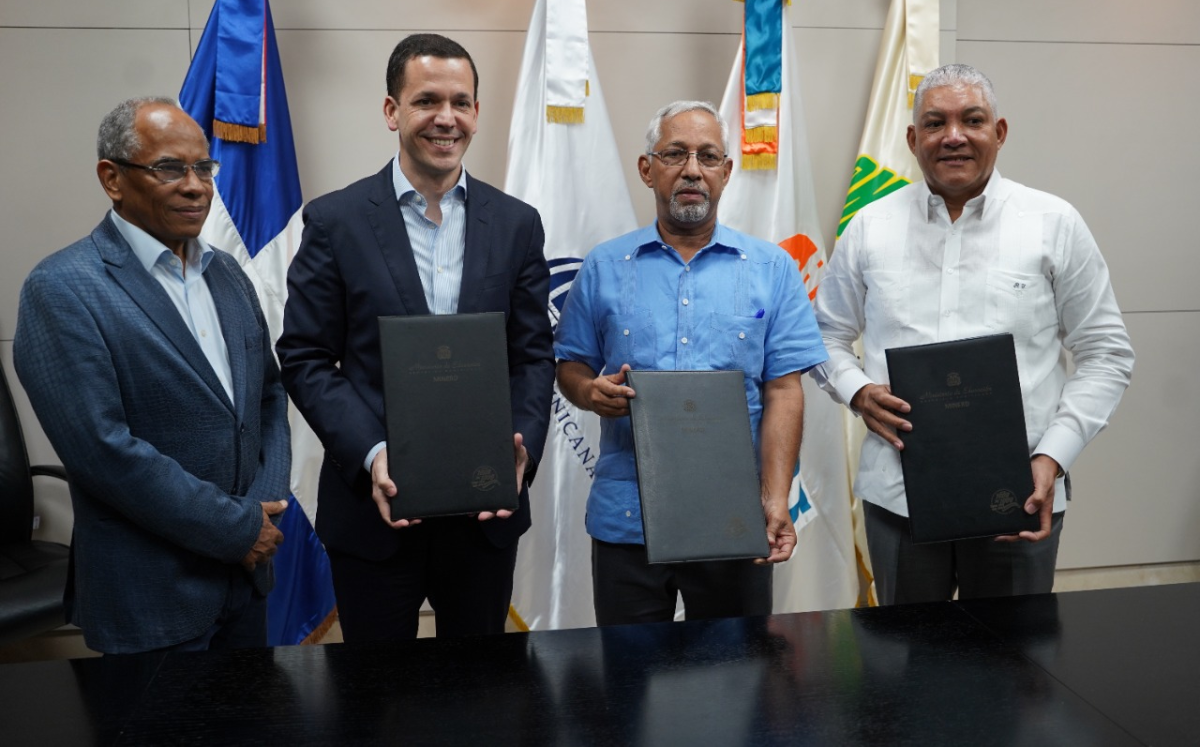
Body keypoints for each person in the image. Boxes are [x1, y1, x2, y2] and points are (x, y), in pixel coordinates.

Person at [813, 64, 1135, 605]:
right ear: (914, 139)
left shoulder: (1054, 223)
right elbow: (824, 335)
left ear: (999, 132)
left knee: (1013, 673)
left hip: (1020, 497)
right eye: (935, 123)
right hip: (899, 498)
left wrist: (1052, 456)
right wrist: (857, 391)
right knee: (905, 673)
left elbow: (1107, 354)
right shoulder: (869, 227)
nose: (954, 136)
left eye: (972, 120)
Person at [276, 34, 554, 641]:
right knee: (376, 707)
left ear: (477, 113)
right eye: (427, 100)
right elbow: (305, 356)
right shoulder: (334, 221)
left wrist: (523, 448)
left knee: (481, 703)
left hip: (485, 514)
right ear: (391, 111)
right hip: (373, 514)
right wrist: (372, 453)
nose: (445, 118)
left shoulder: (516, 224)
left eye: (461, 101)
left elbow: (534, 355)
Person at [13, 98, 290, 654]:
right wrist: (236, 529)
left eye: (204, 168)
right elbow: (104, 449)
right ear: (112, 178)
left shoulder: (227, 272)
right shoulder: (62, 288)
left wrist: (264, 506)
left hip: (247, 582)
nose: (196, 187)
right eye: (170, 168)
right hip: (151, 597)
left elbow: (269, 398)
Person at [554, 101, 828, 626]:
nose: (692, 170)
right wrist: (590, 393)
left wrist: (773, 500)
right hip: (627, 519)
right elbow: (571, 366)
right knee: (629, 686)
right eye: (675, 154)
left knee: (735, 686)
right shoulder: (604, 265)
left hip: (733, 518)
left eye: (707, 157)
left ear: (727, 172)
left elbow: (784, 392)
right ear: (647, 168)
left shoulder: (772, 269)